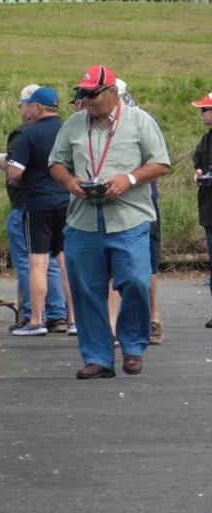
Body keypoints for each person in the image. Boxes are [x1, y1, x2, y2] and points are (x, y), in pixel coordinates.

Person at [49, 65, 171, 379]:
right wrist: (71, 183)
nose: (84, 99)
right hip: (83, 221)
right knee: (86, 290)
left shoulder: (140, 121)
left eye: (91, 94)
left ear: (112, 93)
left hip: (129, 218)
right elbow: (56, 164)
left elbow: (160, 163)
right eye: (81, 93)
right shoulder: (74, 125)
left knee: (133, 281)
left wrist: (129, 179)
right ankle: (99, 358)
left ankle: (132, 346)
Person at [0, 84, 68, 334]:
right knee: (62, 261)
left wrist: (8, 169)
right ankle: (69, 318)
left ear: (36, 107)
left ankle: (35, 319)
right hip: (67, 203)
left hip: (35, 204)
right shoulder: (69, 130)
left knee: (35, 261)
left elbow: (15, 173)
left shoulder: (28, 133)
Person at [105, 79, 165, 345]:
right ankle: (150, 320)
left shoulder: (135, 120)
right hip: (137, 200)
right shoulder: (135, 116)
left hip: (138, 202)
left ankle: (135, 322)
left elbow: (159, 161)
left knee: (139, 265)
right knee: (143, 265)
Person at [191, 92, 212, 328]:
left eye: (205, 109)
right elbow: (197, 162)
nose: (201, 113)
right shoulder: (206, 140)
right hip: (209, 210)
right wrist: (198, 172)